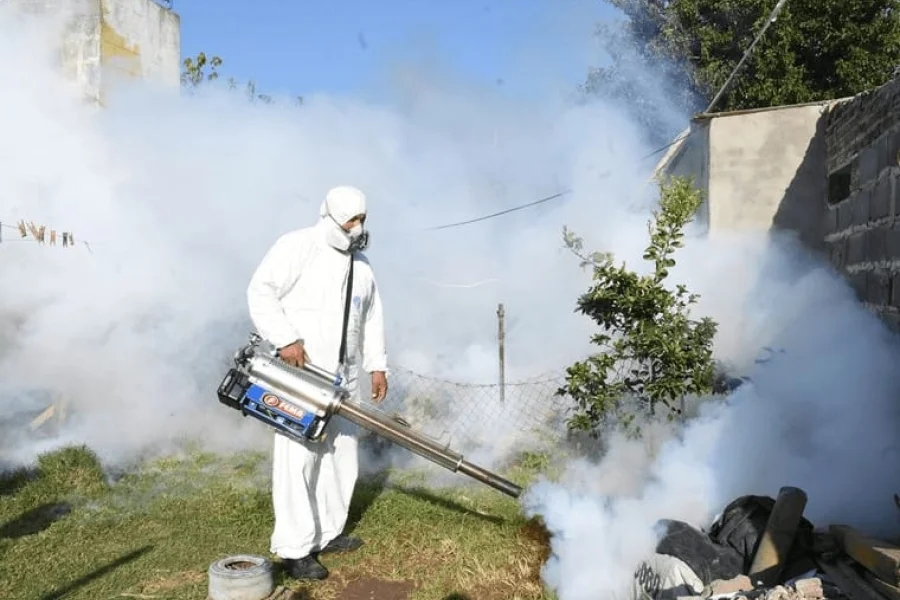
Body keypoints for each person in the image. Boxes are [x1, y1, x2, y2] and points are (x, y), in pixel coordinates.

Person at [246, 185, 388, 580]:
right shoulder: (297, 246)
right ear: (329, 218)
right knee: (299, 458)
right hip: (301, 375)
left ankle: (327, 532)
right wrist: (286, 338)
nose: (357, 229)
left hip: (346, 377)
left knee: (342, 454)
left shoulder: (363, 266)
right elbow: (260, 292)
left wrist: (378, 365)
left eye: (362, 221)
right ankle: (294, 547)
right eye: (350, 222)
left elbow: (373, 317)